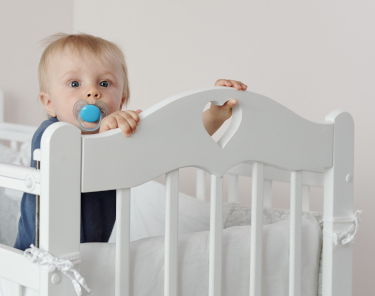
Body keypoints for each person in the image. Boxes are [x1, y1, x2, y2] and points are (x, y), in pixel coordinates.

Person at [13, 33, 247, 250]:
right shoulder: (50, 134)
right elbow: (68, 165)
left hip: (89, 256)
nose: (92, 92)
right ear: (49, 103)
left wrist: (215, 114)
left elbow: (174, 143)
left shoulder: (122, 131)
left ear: (122, 98)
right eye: (75, 84)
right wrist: (104, 140)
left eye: (104, 83)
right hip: (35, 256)